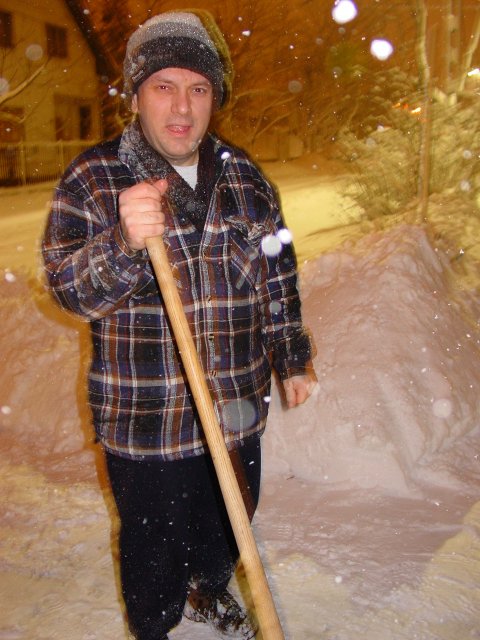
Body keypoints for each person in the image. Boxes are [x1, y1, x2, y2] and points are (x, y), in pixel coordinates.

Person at [42, 10, 315, 640]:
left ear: (214, 97)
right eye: (164, 86)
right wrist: (123, 242)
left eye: (198, 88)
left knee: (228, 523)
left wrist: (292, 355)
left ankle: (208, 588)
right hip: (148, 420)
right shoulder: (93, 179)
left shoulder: (245, 178)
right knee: (152, 551)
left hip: (236, 406)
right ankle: (155, 626)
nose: (182, 107)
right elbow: (69, 292)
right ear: (136, 95)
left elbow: (277, 276)